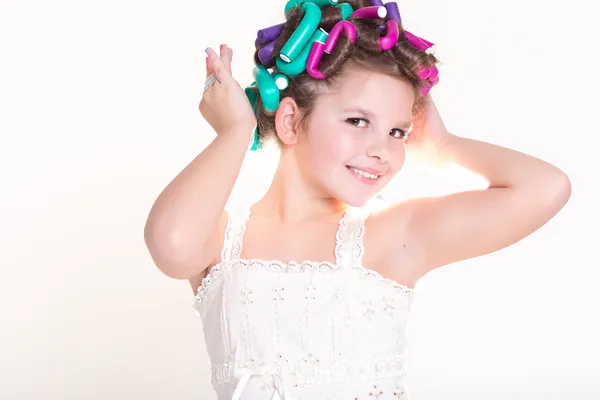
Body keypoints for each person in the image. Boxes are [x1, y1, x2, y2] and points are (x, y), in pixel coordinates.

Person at [143, 0, 571, 398]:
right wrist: (235, 131)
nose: (382, 149)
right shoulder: (222, 239)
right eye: (357, 120)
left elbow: (546, 188)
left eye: (397, 131)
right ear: (291, 120)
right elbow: (171, 244)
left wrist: (443, 145)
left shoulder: (392, 237)